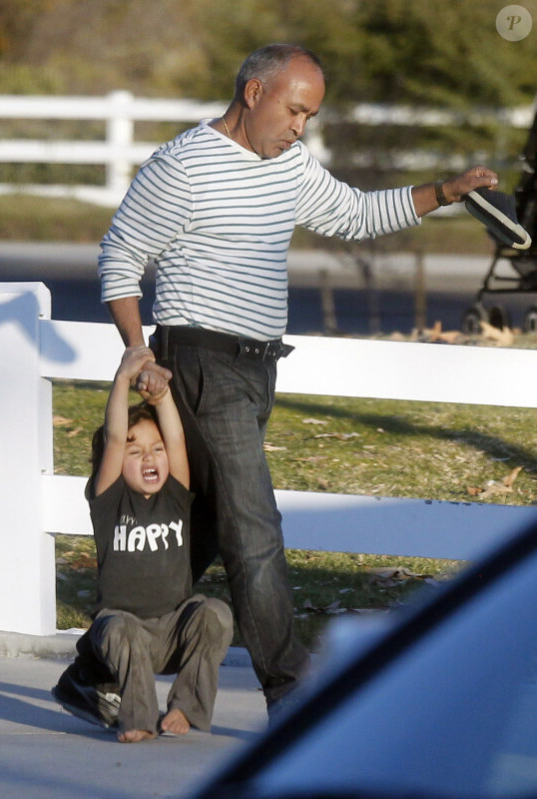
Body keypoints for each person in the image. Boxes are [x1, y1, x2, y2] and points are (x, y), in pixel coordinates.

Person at [96, 43, 499, 717]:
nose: (299, 127)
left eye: (309, 115)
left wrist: (447, 192)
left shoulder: (289, 164)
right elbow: (120, 256)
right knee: (255, 528)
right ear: (253, 93)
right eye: (294, 109)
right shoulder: (183, 166)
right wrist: (139, 352)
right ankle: (292, 692)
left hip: (256, 366)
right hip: (199, 361)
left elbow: (357, 214)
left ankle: (95, 669)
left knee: (195, 532)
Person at [52, 346, 233, 742]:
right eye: (136, 452)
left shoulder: (175, 494)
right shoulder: (110, 501)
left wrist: (162, 396)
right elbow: (116, 436)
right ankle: (136, 718)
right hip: (122, 633)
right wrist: (122, 380)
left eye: (155, 450)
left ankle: (186, 707)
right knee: (120, 629)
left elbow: (176, 437)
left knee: (215, 613)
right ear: (116, 462)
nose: (149, 456)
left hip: (173, 631)